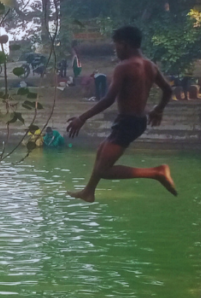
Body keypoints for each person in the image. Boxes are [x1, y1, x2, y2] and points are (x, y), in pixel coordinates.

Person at [66, 26, 178, 202]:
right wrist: (159, 109)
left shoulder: (124, 67)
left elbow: (108, 99)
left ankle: (156, 172)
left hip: (127, 122)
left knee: (104, 170)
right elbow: (168, 90)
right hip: (136, 121)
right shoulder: (151, 66)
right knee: (101, 150)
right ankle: (89, 191)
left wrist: (82, 118)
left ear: (124, 45)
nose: (115, 50)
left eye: (116, 46)